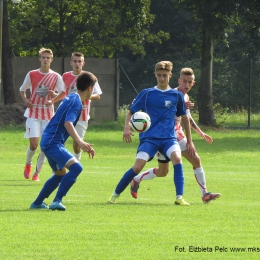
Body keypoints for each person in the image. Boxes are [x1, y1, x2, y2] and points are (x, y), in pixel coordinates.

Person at [108, 61, 196, 206]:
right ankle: (115, 194)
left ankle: (179, 197)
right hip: (149, 139)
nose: (162, 79)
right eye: (159, 75)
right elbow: (131, 111)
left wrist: (190, 141)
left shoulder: (176, 95)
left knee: (177, 159)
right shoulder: (147, 93)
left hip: (168, 138)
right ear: (155, 74)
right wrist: (127, 128)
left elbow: (184, 117)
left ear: (170, 75)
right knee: (137, 167)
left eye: (165, 76)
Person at [130, 68, 221, 203]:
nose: (187, 85)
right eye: (184, 81)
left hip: (176, 134)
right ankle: (136, 179)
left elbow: (187, 118)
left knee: (173, 168)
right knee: (171, 168)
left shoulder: (185, 97)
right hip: (166, 135)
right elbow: (166, 113)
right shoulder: (172, 94)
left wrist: (201, 133)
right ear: (178, 80)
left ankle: (204, 194)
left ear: (193, 83)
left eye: (189, 82)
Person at [30, 71, 97, 211]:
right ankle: (57, 201)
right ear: (90, 87)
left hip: (49, 140)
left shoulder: (71, 96)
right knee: (77, 168)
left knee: (60, 174)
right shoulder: (76, 102)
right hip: (52, 142)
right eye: (94, 87)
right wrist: (80, 141)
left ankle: (37, 203)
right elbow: (68, 123)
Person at [20, 47, 66, 181]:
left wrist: (53, 98)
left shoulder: (56, 76)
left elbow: (63, 93)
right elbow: (22, 90)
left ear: (51, 60)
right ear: (39, 59)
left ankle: (37, 173)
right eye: (43, 57)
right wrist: (26, 101)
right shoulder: (32, 74)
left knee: (45, 147)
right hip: (33, 113)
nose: (45, 60)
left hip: (48, 116)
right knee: (34, 144)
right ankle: (28, 164)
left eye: (48, 58)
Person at [62, 52, 102, 161]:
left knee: (77, 144)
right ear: (71, 63)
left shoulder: (89, 77)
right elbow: (62, 93)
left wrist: (86, 96)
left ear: (83, 63)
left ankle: (75, 164)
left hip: (82, 116)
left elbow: (97, 95)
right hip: (67, 114)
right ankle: (58, 169)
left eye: (79, 61)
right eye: (75, 61)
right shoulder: (65, 76)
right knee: (61, 142)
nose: (77, 63)